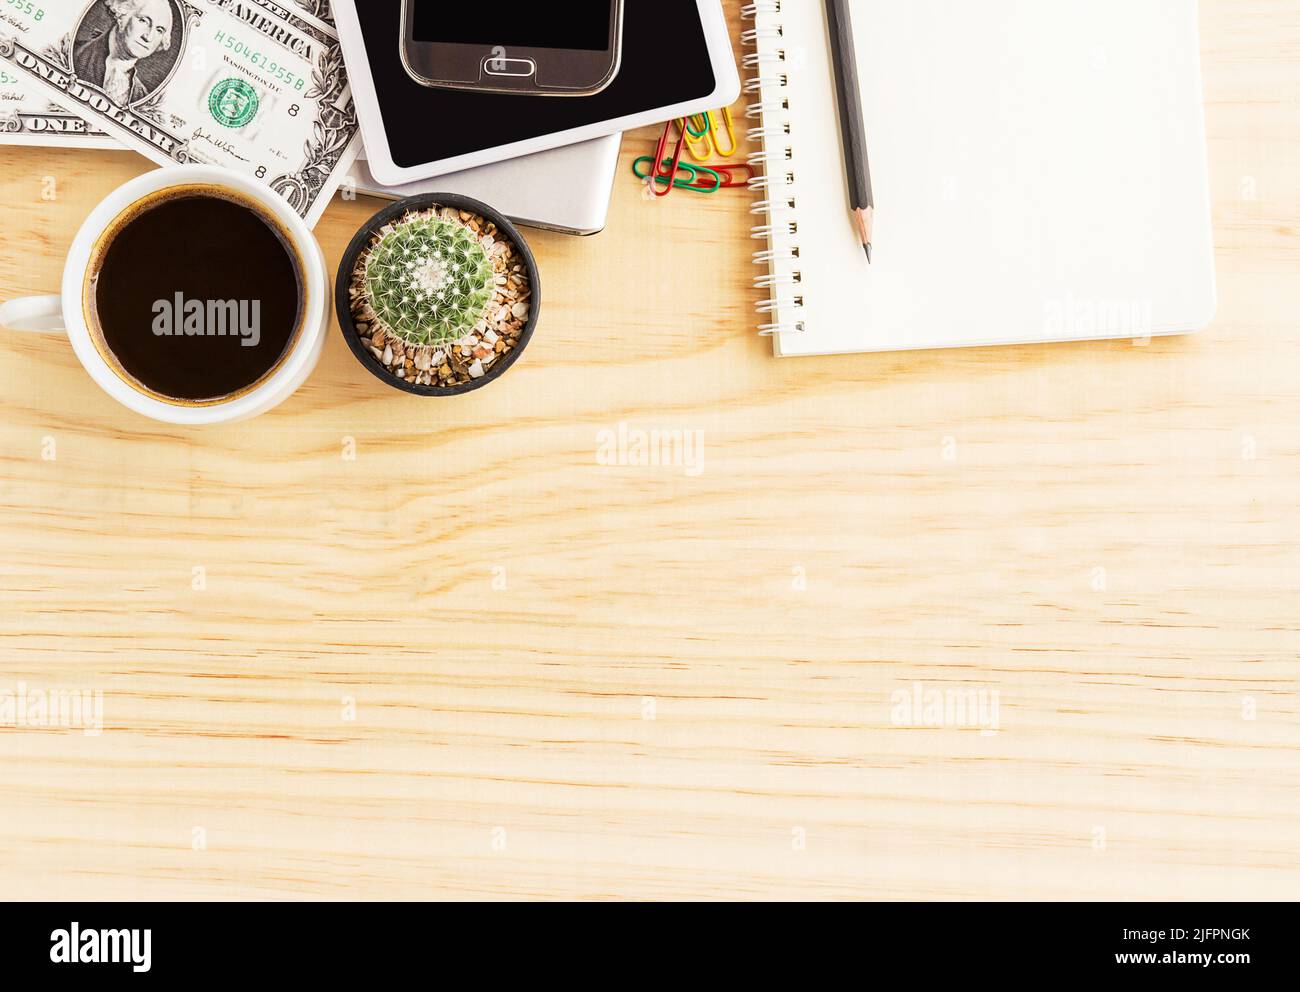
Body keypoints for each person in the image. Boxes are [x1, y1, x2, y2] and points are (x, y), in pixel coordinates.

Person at [73, 0, 175, 106]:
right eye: (143, 21)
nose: (148, 37)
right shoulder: (74, 53)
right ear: (122, 15)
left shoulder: (141, 96)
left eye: (159, 30)